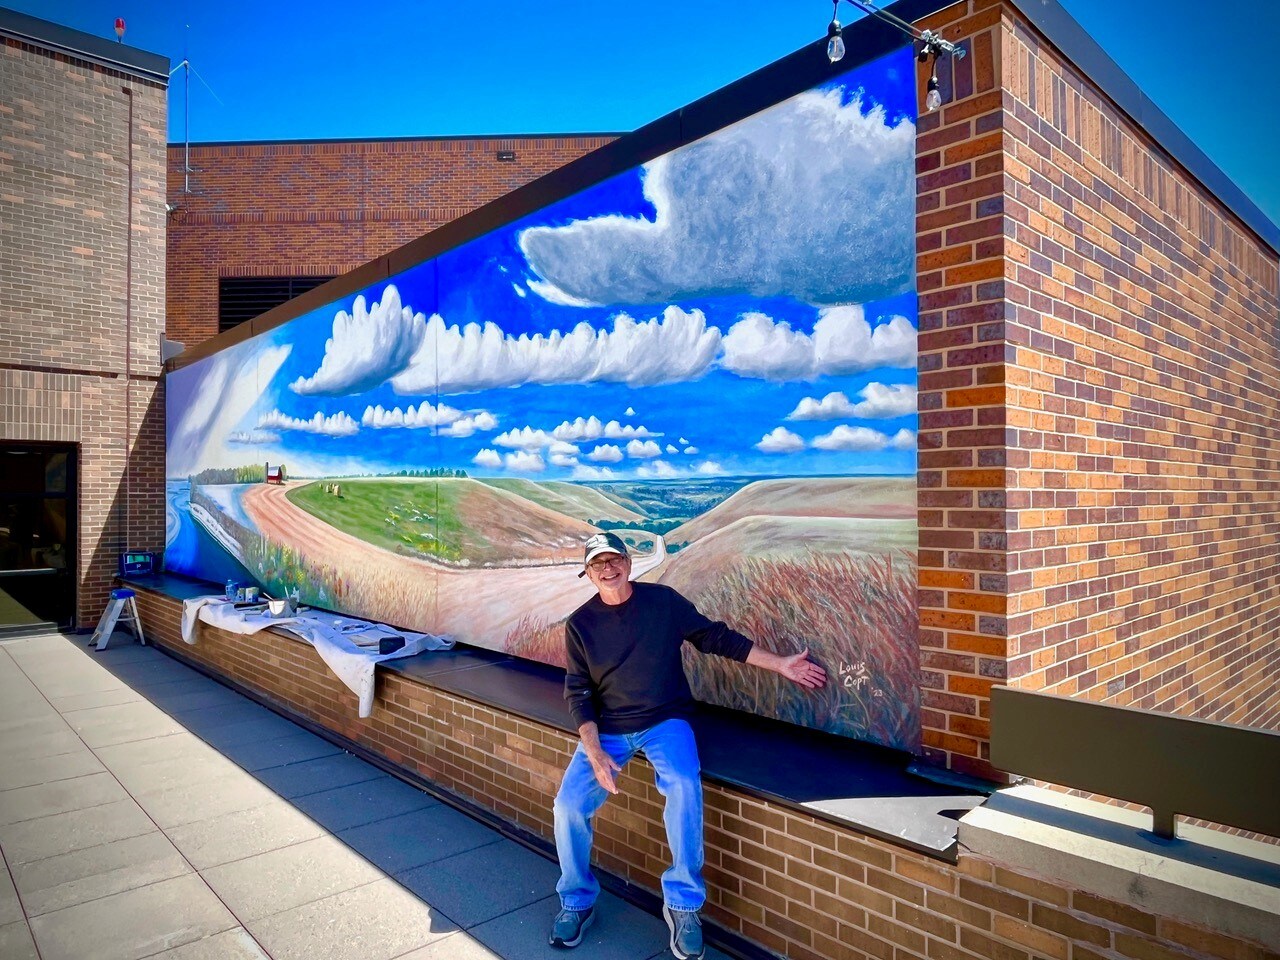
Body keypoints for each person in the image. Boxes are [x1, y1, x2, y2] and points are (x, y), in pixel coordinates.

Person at [549, 531, 827, 958]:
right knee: (568, 805)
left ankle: (682, 905)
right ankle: (577, 901)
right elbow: (578, 692)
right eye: (597, 564)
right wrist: (594, 750)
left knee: (682, 783)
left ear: (628, 562)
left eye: (614, 559)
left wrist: (781, 665)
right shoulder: (580, 624)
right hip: (606, 728)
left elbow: (716, 638)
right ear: (587, 574)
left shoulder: (663, 602)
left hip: (666, 720)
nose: (608, 569)